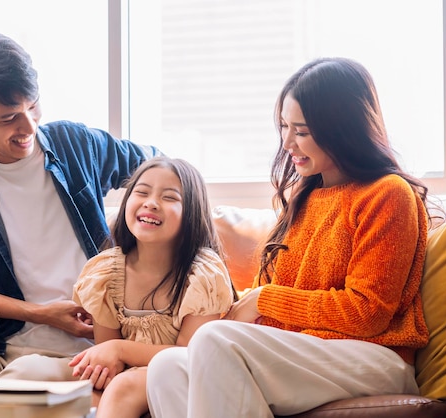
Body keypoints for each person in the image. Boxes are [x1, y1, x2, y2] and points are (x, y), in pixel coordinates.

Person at [145, 57, 431, 418]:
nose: (287, 143)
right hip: (305, 351)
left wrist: (264, 299)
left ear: (342, 129)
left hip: (374, 355)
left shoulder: (387, 194)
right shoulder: (305, 198)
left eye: (302, 131)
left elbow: (366, 313)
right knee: (167, 368)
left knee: (214, 341)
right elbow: (280, 299)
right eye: (283, 126)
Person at [0, 30, 160, 384]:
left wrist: (134, 231)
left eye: (33, 105)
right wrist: (40, 314)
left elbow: (159, 167)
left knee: (24, 379)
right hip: (1, 346)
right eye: (9, 118)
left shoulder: (75, 144)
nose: (29, 126)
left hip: (102, 342)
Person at [69, 156, 236, 418]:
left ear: (191, 212)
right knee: (71, 390)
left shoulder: (202, 273)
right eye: (142, 192)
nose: (151, 203)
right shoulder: (104, 273)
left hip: (178, 372)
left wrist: (120, 349)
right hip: (125, 372)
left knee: (123, 387)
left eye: (169, 197)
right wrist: (109, 358)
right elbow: (108, 359)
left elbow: (188, 355)